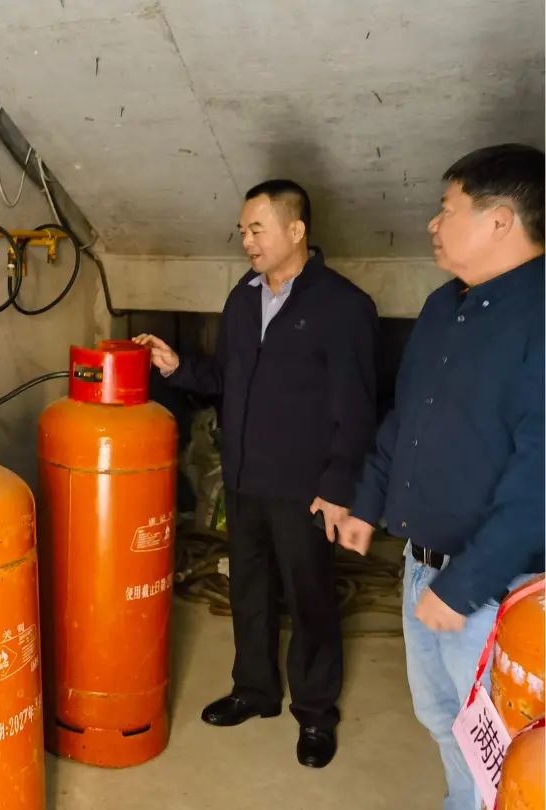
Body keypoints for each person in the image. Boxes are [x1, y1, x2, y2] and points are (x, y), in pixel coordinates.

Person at [135, 179, 378, 768]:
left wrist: (337, 487)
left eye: (257, 229)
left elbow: (357, 408)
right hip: (244, 477)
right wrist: (176, 366)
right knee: (248, 587)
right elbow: (226, 377)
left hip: (305, 488)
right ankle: (255, 689)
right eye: (242, 230)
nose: (247, 240)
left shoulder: (343, 306)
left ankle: (315, 713)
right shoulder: (243, 299)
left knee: (310, 598)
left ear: (296, 230)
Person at [338, 144, 545, 810]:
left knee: (505, 745)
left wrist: (463, 588)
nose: (432, 223)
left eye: (446, 209)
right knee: (444, 719)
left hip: (497, 591)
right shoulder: (441, 308)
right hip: (422, 569)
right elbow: (407, 418)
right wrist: (366, 501)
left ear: (500, 220)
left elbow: (539, 482)